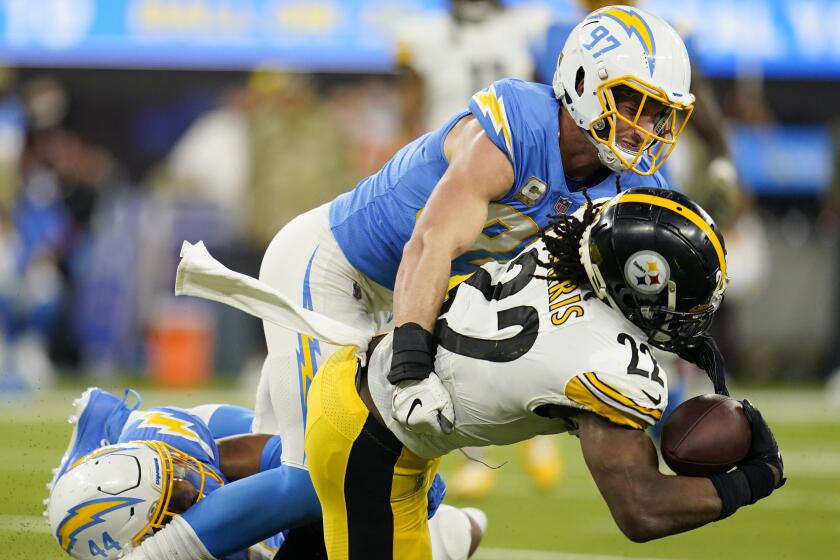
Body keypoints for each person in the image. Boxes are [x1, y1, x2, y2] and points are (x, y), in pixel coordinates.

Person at [176, 187, 785, 558]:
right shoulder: (611, 367)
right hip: (373, 448)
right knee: (308, 517)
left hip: (369, 387)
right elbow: (641, 511)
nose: (692, 319)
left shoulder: (562, 244)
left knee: (310, 538)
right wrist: (754, 480)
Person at [396, 0, 557, 496]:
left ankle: (539, 429)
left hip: (502, 175)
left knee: (520, 300)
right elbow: (411, 107)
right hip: (449, 171)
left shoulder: (524, 27)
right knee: (456, 308)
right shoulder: (427, 34)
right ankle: (478, 444)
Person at [46, 388, 486, 560]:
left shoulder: (168, 438)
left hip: (267, 446)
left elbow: (288, 458)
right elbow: (314, 489)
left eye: (177, 473)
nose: (191, 480)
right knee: (458, 531)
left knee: (297, 427)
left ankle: (88, 457)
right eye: (179, 498)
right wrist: (400, 475)